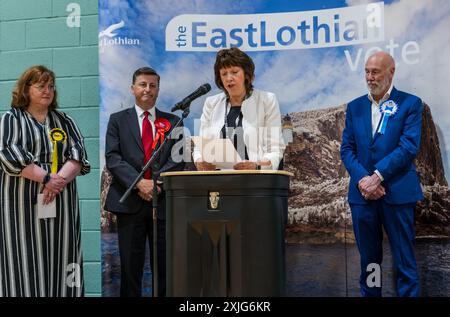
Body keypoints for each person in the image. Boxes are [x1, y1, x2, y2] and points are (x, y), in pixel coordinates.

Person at [0, 65, 91, 297]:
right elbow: (10, 156)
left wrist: (57, 182)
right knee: (24, 260)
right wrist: (47, 179)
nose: (47, 91)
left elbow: (78, 155)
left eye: (51, 86)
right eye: (41, 86)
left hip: (61, 204)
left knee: (64, 256)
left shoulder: (64, 120)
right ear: (25, 89)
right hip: (21, 207)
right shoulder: (12, 119)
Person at [340, 51, 423, 297]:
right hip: (362, 197)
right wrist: (364, 180)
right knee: (371, 261)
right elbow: (347, 149)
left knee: (404, 261)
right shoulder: (354, 107)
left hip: (397, 195)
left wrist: (377, 176)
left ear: (391, 71)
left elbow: (408, 146)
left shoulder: (411, 103)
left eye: (375, 71)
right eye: (366, 71)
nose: (369, 77)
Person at [104, 67, 184, 297]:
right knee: (130, 269)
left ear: (158, 89)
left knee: (165, 269)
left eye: (152, 85)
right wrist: (140, 183)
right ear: (133, 88)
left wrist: (155, 184)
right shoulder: (117, 120)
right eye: (142, 84)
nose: (147, 89)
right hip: (129, 204)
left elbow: (177, 160)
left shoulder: (174, 122)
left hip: (164, 204)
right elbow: (113, 157)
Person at [193, 47, 285, 171]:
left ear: (247, 75)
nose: (228, 78)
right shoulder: (211, 103)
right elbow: (201, 147)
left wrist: (257, 166)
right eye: (224, 74)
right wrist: (199, 161)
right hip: (219, 179)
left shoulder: (267, 100)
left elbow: (275, 149)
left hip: (256, 179)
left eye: (234, 72)